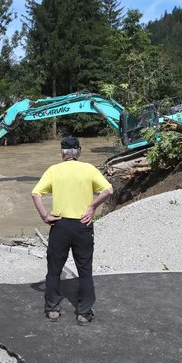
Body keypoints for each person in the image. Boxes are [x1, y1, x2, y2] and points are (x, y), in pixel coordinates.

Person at [31, 136, 114, 326]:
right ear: (79, 152)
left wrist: (45, 216)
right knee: (84, 270)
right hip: (82, 225)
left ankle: (52, 309)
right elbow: (108, 191)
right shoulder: (89, 169)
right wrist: (92, 207)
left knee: (54, 270)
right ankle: (83, 313)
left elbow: (35, 193)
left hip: (59, 225)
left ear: (62, 153)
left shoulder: (53, 170)